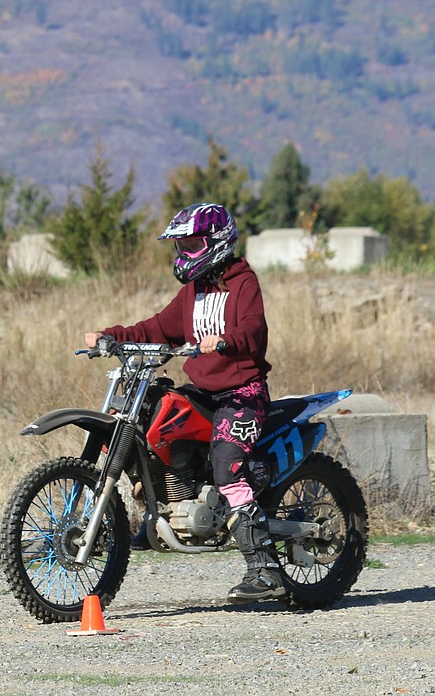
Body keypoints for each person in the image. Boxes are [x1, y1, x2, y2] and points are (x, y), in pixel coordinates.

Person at [84, 202, 283, 604]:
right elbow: (157, 328)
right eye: (181, 246)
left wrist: (226, 340)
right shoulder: (193, 291)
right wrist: (112, 336)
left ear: (216, 242)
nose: (184, 253)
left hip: (242, 393)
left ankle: (265, 569)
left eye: (191, 243)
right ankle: (156, 514)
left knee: (228, 472)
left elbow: (253, 328)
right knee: (151, 416)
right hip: (205, 392)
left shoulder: (242, 283)